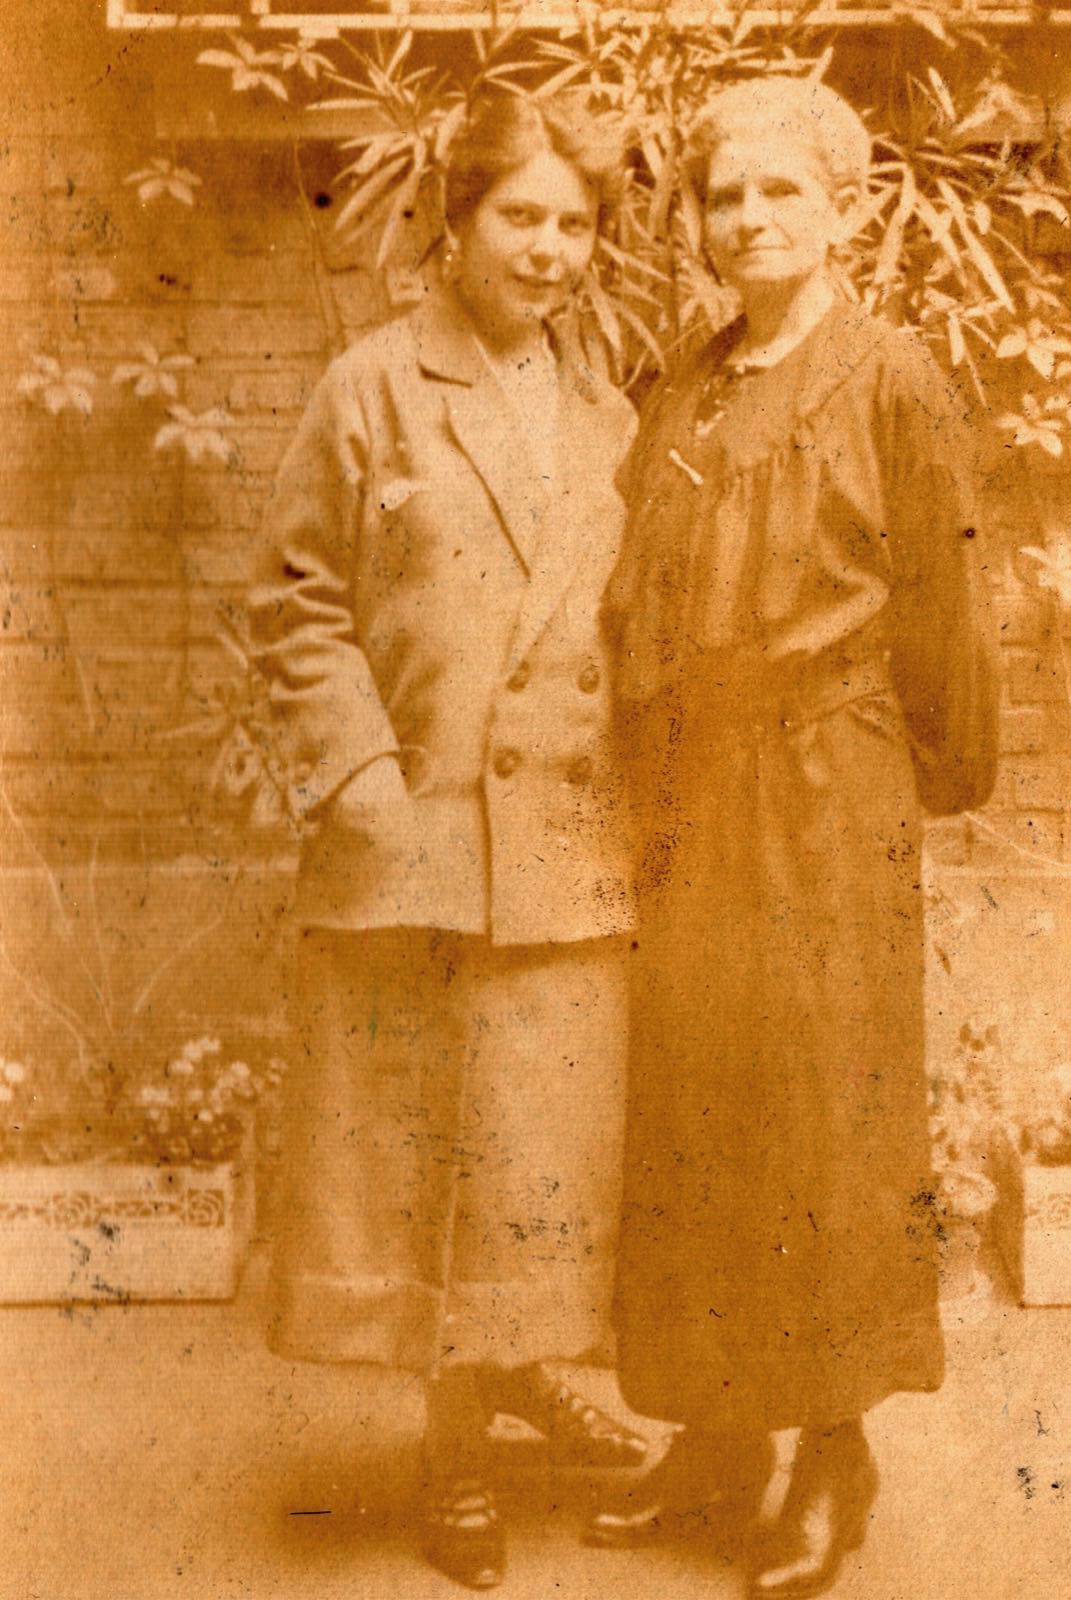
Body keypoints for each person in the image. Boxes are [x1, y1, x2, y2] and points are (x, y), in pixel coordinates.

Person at [587, 77, 1000, 1599]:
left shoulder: (893, 380)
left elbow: (947, 612)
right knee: (695, 1106)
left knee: (821, 1114)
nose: (748, 220)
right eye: (724, 196)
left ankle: (834, 1452)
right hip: (692, 796)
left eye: (782, 194)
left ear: (848, 208)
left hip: (829, 794)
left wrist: (922, 783)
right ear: (694, 220)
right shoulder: (681, 386)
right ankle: (713, 1442)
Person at [249, 90, 646, 1592]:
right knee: (424, 1153)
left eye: (576, 224)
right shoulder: (374, 386)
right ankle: (455, 1449)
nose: (552, 249)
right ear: (459, 223)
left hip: (566, 848)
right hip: (414, 834)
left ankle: (529, 1371)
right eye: (524, 217)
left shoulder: (611, 409)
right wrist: (355, 774)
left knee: (538, 1149)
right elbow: (294, 602)